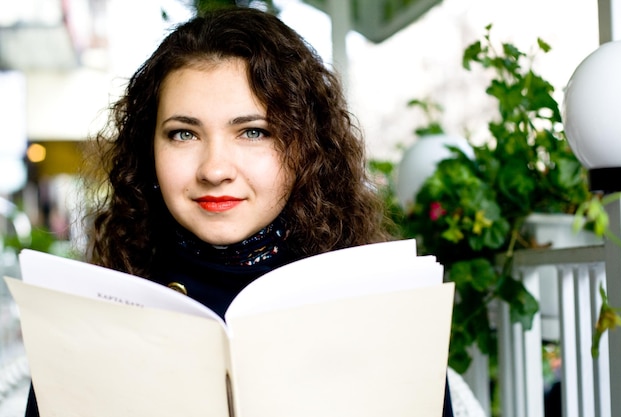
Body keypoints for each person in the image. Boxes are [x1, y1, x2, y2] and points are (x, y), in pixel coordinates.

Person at [25, 6, 454, 416]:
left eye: (253, 131)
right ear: (147, 150)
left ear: (308, 149)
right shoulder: (86, 319)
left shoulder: (385, 307)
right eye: (183, 134)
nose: (214, 169)